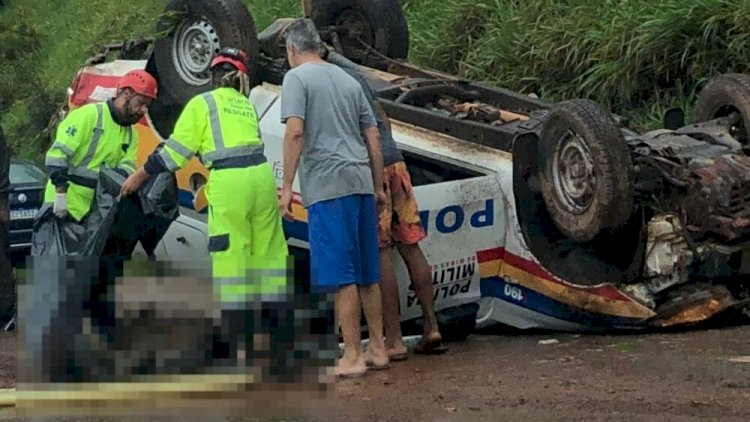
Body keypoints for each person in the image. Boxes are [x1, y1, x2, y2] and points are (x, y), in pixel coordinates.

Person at [120, 47, 291, 376]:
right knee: (269, 258)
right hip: (261, 178)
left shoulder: (203, 103)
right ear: (239, 77)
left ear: (212, 76)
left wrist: (140, 175)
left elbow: (175, 153)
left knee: (232, 259)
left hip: (231, 184)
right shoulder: (244, 105)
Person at [277, 18, 389, 378]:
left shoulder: (296, 78)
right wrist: (378, 185)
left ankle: (352, 355)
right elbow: (372, 135)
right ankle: (379, 348)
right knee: (367, 272)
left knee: (342, 274)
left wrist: (286, 187)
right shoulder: (348, 80)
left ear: (293, 49)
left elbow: (295, 133)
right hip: (359, 180)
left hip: (327, 185)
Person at [329, 59, 447, 360]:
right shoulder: (358, 78)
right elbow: (383, 119)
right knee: (410, 245)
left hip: (374, 168)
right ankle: (431, 327)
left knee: (380, 252)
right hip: (397, 164)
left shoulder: (332, 83)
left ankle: (393, 340)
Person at [44, 69, 157, 222]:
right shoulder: (88, 116)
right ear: (125, 93)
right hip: (64, 205)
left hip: (94, 212)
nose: (143, 110)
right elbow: (57, 156)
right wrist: (60, 195)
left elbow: (126, 169)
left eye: (147, 106)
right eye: (140, 103)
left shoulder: (131, 134)